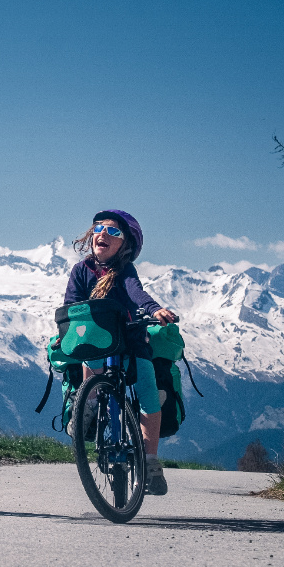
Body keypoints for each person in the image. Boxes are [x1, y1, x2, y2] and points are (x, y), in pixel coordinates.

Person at [63, 210, 177, 495]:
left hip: (130, 341)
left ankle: (150, 463)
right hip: (97, 340)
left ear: (125, 245)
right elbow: (72, 305)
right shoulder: (81, 271)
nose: (103, 233)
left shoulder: (125, 271)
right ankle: (87, 405)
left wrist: (154, 310)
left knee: (149, 393)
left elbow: (137, 294)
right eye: (99, 228)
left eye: (113, 232)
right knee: (91, 361)